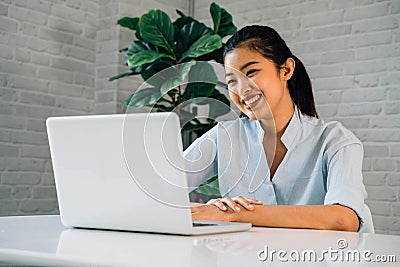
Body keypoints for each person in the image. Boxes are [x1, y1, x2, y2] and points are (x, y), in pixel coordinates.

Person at [185, 25, 374, 233]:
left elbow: (344, 220)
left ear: (286, 70)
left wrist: (236, 214)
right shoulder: (224, 136)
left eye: (252, 72)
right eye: (232, 81)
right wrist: (202, 209)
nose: (242, 89)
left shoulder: (335, 141)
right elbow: (158, 188)